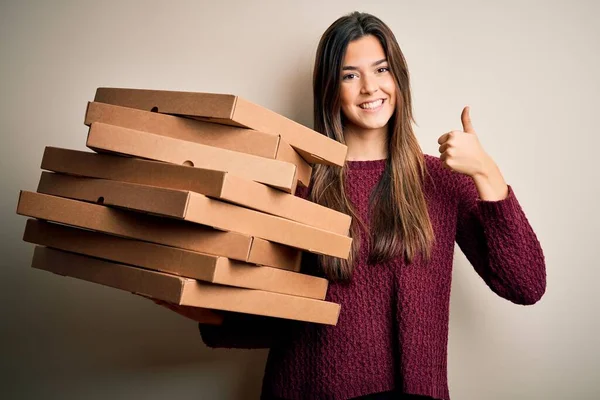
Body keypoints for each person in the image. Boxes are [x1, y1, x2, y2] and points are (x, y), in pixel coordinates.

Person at [152, 11, 546, 400]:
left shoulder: (440, 180)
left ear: (399, 79)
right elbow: (279, 323)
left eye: (381, 70)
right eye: (350, 75)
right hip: (308, 390)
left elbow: (526, 285)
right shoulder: (296, 183)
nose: (369, 88)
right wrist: (199, 307)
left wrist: (487, 174)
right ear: (330, 88)